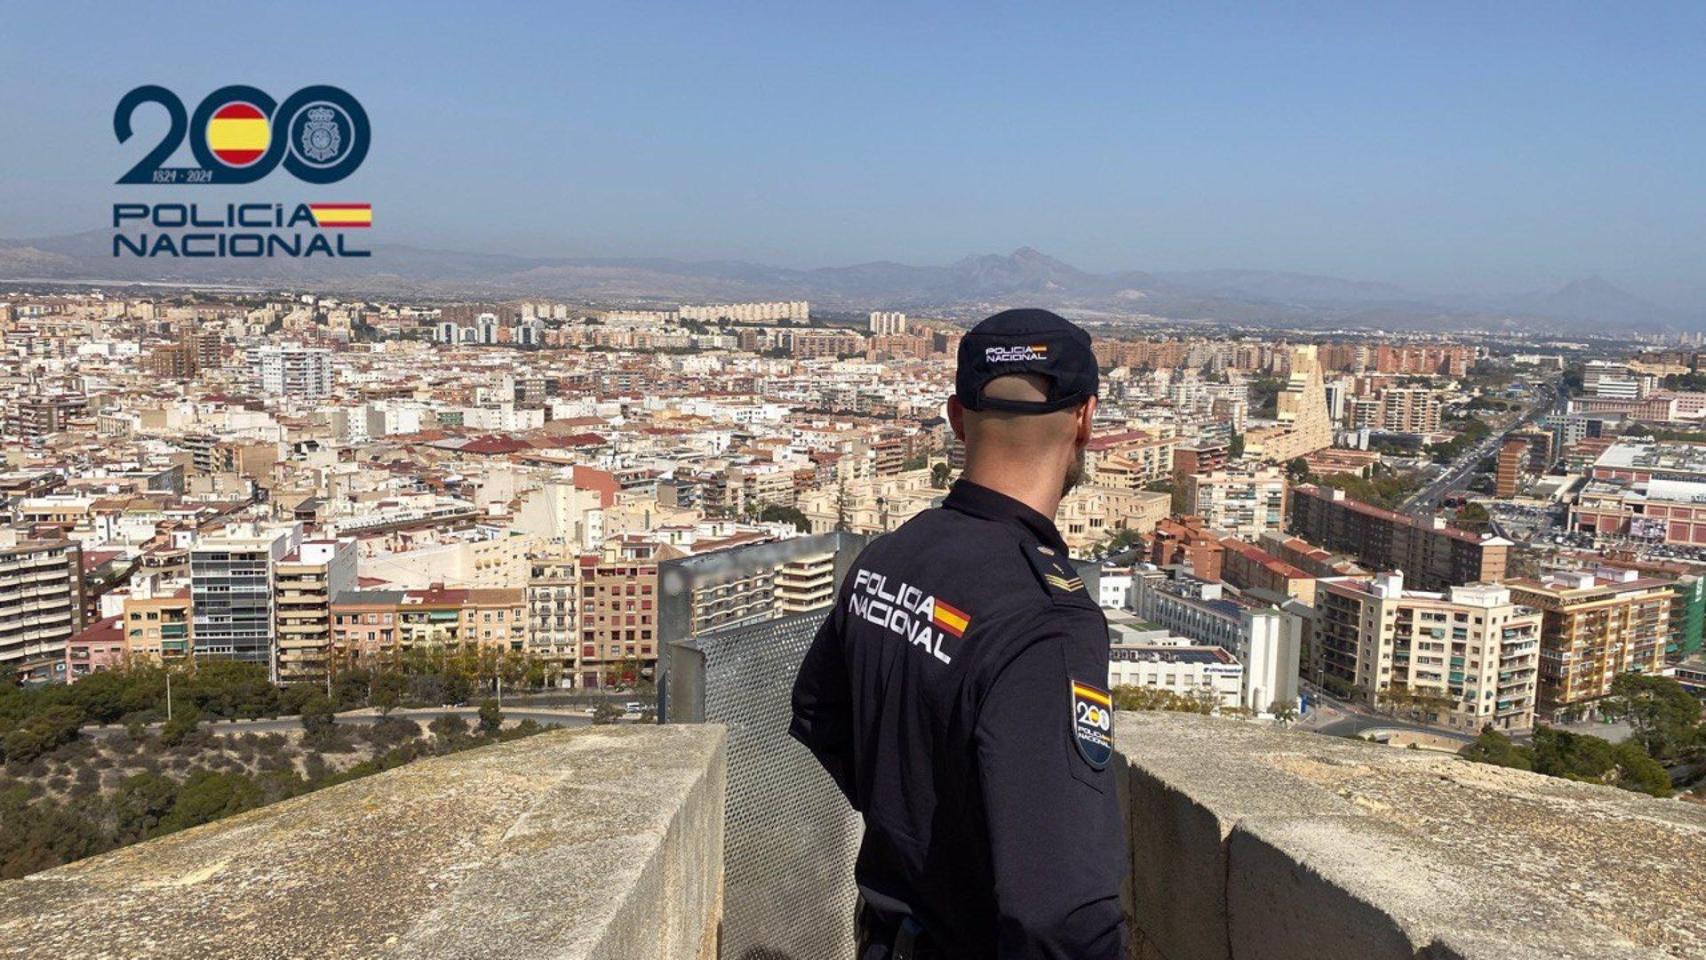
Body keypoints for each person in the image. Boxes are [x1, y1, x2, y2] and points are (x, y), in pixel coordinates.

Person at [790, 308, 1128, 959]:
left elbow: (818, 712)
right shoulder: (1047, 621)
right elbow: (1059, 912)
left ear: (956, 416)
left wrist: (914, 822)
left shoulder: (890, 557)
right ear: (1086, 419)